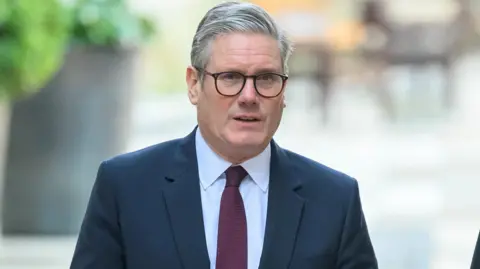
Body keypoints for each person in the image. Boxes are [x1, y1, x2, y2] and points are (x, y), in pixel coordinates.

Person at [70, 2, 378, 269]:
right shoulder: (126, 187)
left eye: (266, 78)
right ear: (194, 84)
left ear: (284, 89)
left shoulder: (335, 200)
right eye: (230, 77)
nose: (249, 96)